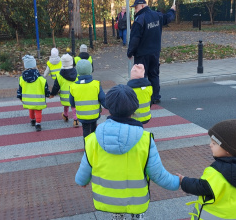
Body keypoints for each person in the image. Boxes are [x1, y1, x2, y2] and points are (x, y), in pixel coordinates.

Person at [75, 84, 180, 220]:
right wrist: (178, 182)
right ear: (134, 108)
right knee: (137, 212)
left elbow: (85, 167)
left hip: (107, 199)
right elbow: (158, 174)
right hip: (137, 199)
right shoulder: (145, 140)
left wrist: (81, 181)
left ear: (109, 108)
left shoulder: (92, 139)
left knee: (117, 212)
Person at [177, 119, 236, 220]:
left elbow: (200, 187)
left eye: (214, 143)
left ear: (228, 150)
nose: (210, 145)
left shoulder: (216, 173)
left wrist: (183, 180)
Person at [127, 0, 176, 104]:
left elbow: (135, 38)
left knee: (141, 76)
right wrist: (172, 10)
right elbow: (168, 18)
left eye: (136, 7)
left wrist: (130, 52)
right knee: (154, 74)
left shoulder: (139, 19)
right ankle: (155, 96)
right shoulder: (157, 15)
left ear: (142, 5)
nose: (135, 10)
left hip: (142, 54)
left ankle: (143, 97)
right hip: (155, 52)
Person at [69, 59, 106, 138]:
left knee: (85, 130)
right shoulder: (96, 84)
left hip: (82, 115)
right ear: (90, 70)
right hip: (94, 114)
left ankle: (86, 149)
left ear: (77, 71)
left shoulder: (73, 86)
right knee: (94, 129)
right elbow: (103, 99)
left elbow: (72, 103)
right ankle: (94, 146)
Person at [17, 55, 51, 132]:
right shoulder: (41, 79)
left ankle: (32, 120)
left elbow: (20, 88)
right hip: (38, 100)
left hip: (28, 100)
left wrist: (19, 96)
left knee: (31, 109)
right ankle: (38, 124)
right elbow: (45, 88)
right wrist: (48, 94)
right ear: (34, 65)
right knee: (38, 111)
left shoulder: (22, 78)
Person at [49, 53, 79, 128]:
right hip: (75, 95)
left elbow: (56, 86)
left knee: (66, 105)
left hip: (64, 97)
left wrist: (52, 94)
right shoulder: (77, 74)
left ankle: (65, 115)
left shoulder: (59, 75)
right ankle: (75, 120)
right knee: (74, 107)